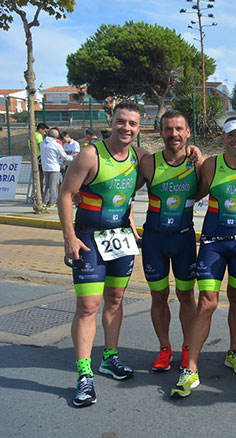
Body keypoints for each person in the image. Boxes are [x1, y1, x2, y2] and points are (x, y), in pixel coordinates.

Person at [57, 102, 149, 408]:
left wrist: (194, 153)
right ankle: (84, 375)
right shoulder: (90, 154)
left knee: (115, 299)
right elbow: (66, 195)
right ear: (111, 121)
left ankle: (110, 358)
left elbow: (160, 168)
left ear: (140, 127)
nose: (126, 128)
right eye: (121, 122)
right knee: (87, 306)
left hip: (120, 238)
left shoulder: (139, 156)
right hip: (88, 238)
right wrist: (69, 237)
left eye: (132, 124)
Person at [171, 116, 236, 397]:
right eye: (231, 135)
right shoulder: (210, 165)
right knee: (207, 302)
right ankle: (190, 368)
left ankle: (233, 352)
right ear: (222, 138)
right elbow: (188, 188)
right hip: (213, 243)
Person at [138, 109, 200, 372]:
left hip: (184, 239)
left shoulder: (198, 163)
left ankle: (188, 347)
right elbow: (123, 187)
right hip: (154, 241)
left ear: (187, 132)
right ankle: (165, 348)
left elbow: (214, 186)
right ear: (160, 132)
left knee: (186, 295)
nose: (173, 134)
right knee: (159, 295)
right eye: (168, 129)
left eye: (179, 129)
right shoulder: (149, 163)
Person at [41, 128, 73, 207]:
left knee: (47, 185)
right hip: (54, 167)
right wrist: (72, 157)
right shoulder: (56, 145)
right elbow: (64, 156)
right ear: (57, 136)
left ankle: (45, 201)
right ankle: (53, 202)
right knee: (54, 185)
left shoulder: (42, 143)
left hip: (45, 166)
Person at [35, 122, 49, 193]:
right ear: (40, 129)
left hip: (35, 156)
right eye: (44, 131)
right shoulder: (39, 136)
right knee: (41, 176)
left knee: (37, 176)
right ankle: (41, 192)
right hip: (40, 156)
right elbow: (41, 146)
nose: (44, 133)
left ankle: (39, 191)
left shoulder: (32, 135)